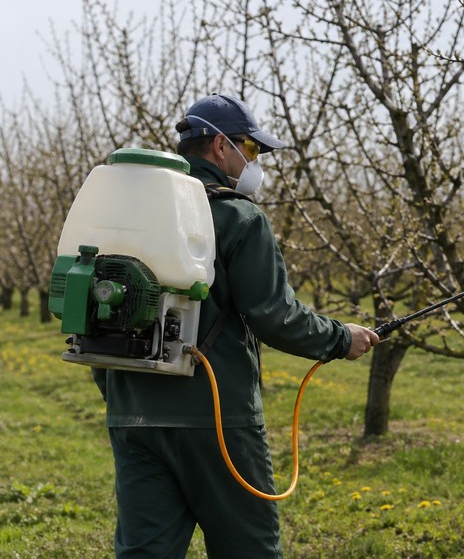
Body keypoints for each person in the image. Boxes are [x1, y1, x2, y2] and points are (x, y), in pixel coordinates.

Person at [95, 93, 379, 558]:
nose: (254, 162)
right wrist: (340, 338)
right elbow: (274, 315)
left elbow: (95, 311)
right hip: (218, 421)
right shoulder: (235, 216)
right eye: (250, 149)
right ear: (220, 146)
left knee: (145, 553)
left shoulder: (125, 218)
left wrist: (122, 395)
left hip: (133, 417)